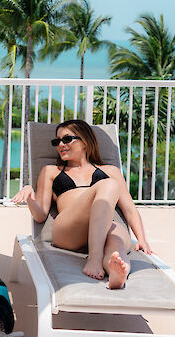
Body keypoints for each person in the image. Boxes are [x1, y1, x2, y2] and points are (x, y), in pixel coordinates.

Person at [12, 119, 152, 289]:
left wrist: (142, 239)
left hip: (105, 228)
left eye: (67, 139)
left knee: (117, 246)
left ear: (85, 141)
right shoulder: (51, 171)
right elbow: (40, 215)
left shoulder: (110, 171)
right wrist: (30, 196)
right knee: (109, 184)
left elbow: (130, 210)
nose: (61, 145)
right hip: (70, 230)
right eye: (57, 141)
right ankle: (94, 258)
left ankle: (117, 273)